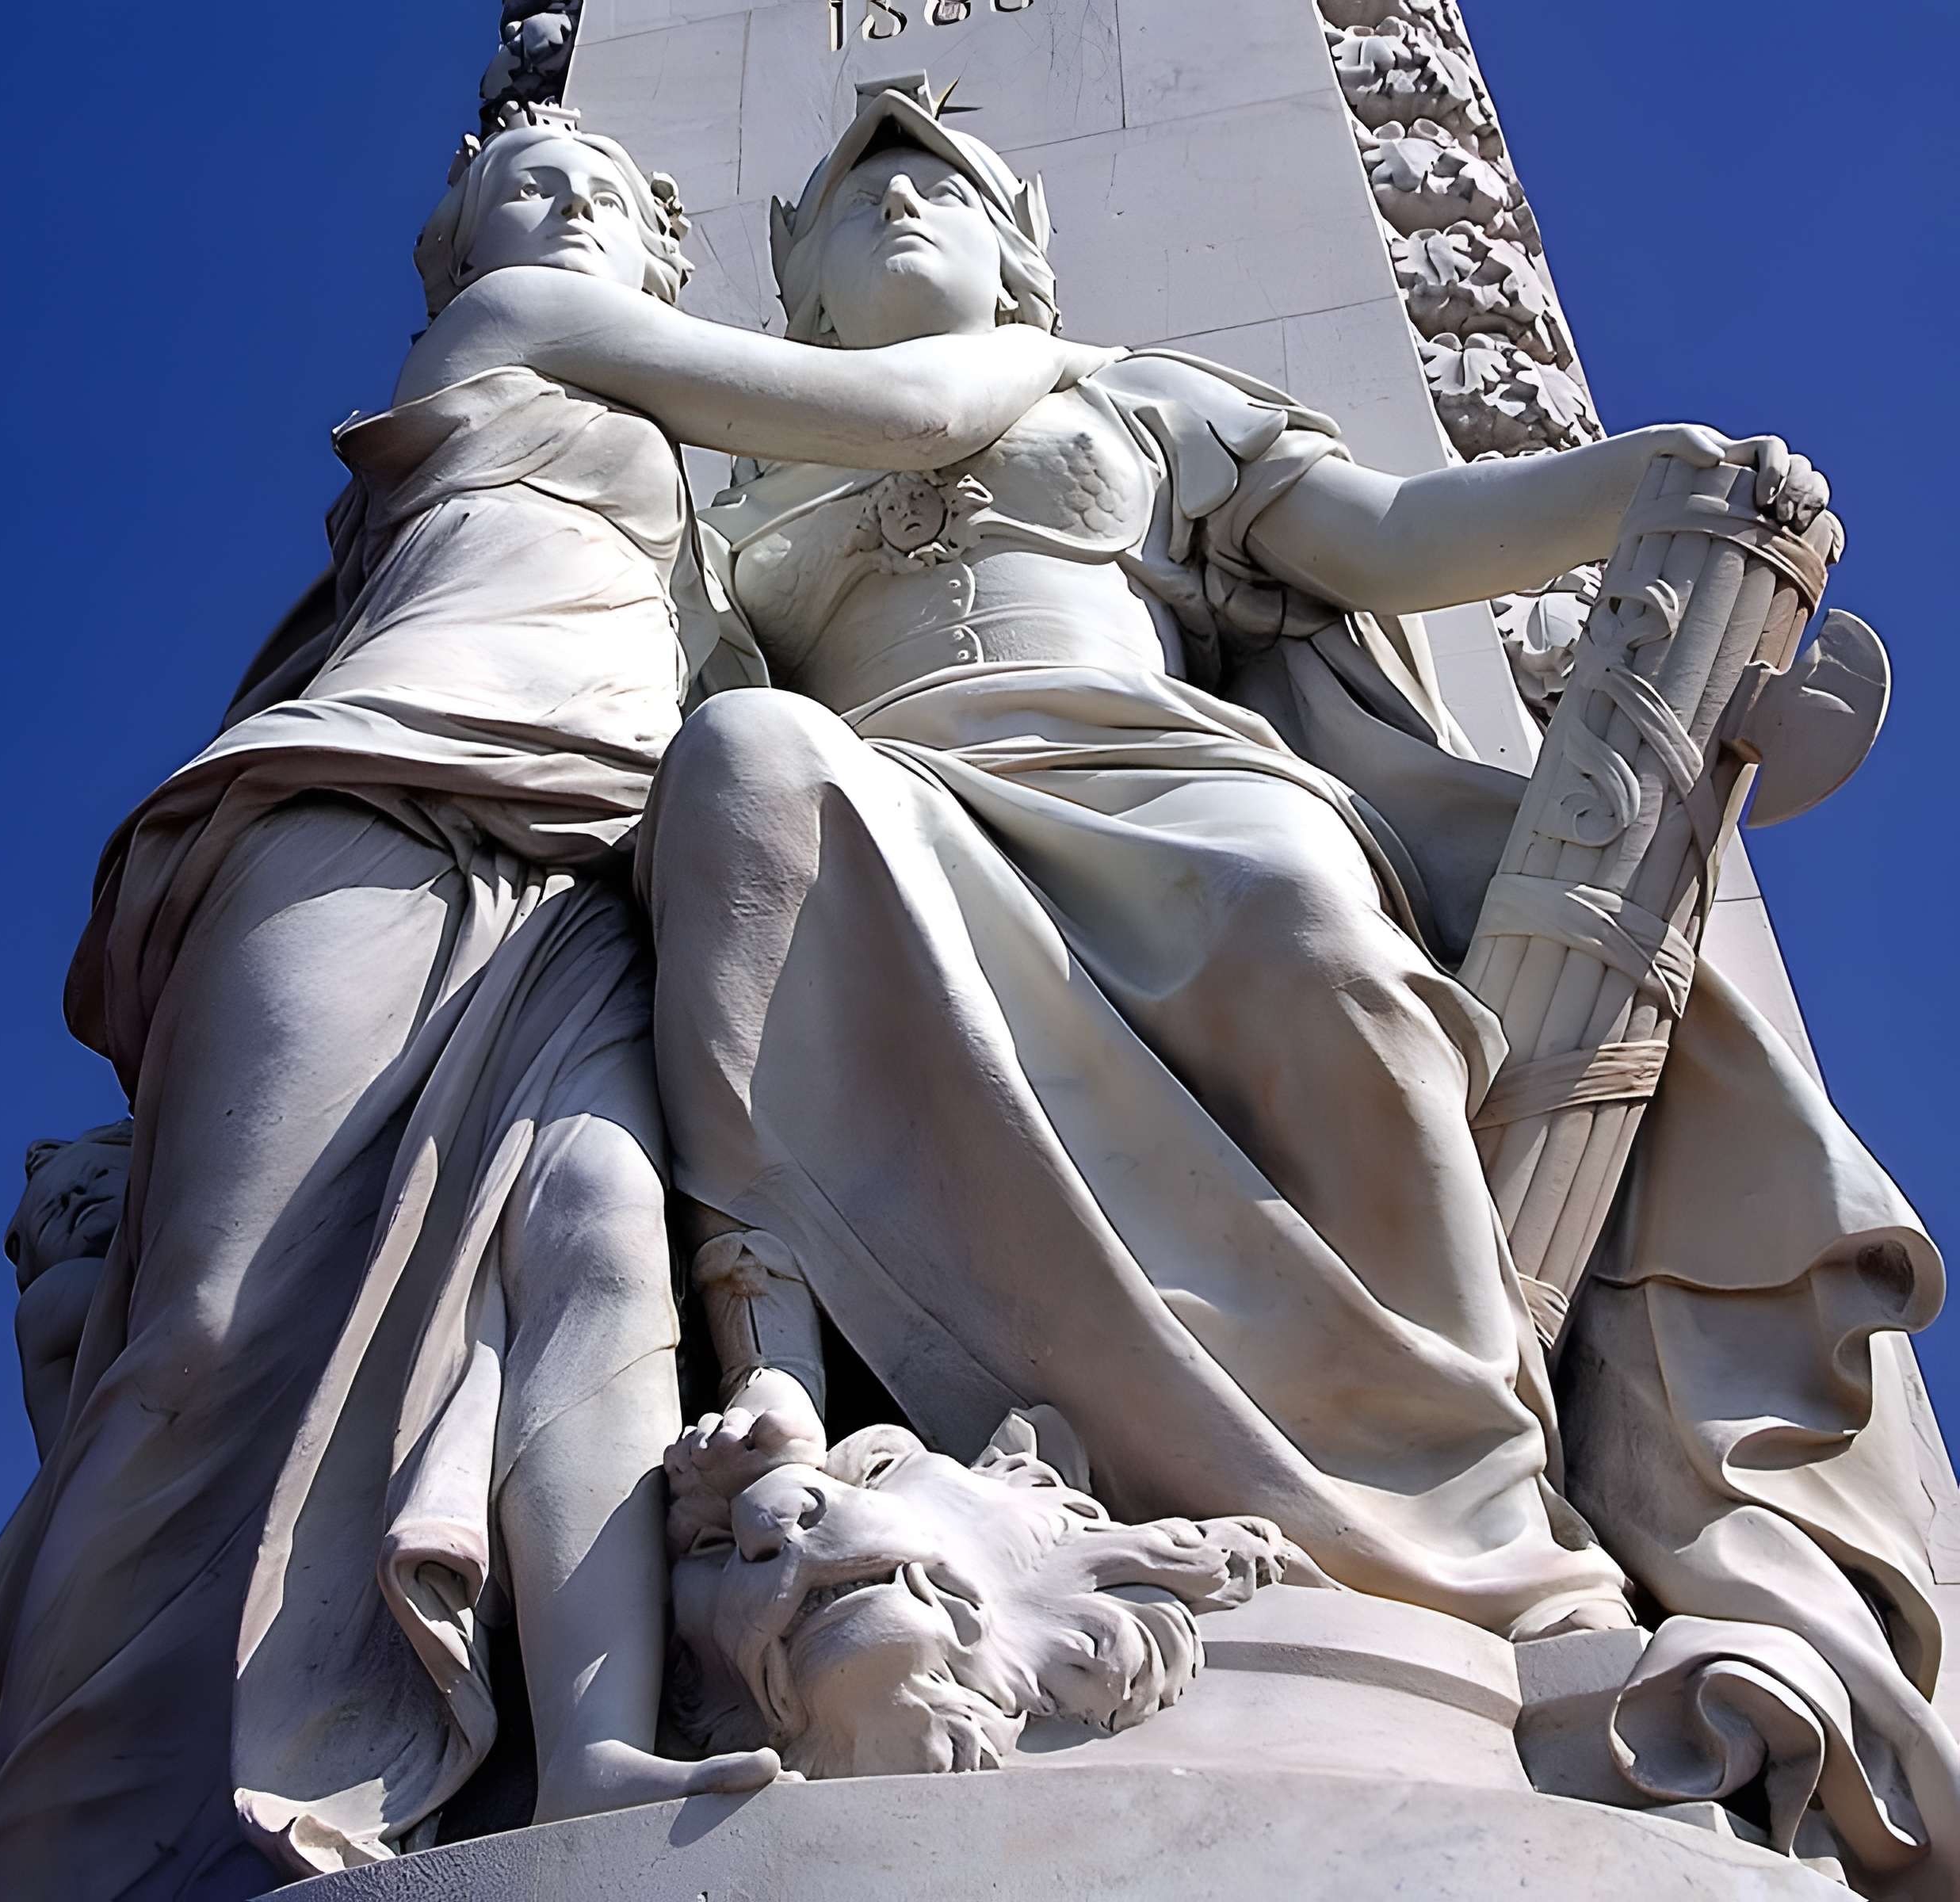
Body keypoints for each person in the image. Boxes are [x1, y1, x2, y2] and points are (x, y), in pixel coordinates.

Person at [639, 82, 1958, 1882]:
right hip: (888, 795)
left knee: (1311, 939)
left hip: (1160, 771)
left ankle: (1476, 1509)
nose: (900, 208)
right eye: (861, 198)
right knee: (743, 769)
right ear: (790, 272)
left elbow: (1395, 532)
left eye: (937, 188)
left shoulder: (1128, 395)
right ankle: (776, 1402)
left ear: (1019, 245)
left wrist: (1636, 481)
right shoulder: (725, 482)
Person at [0, 101, 1106, 1899]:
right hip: (383, 797)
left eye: (605, 192)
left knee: (598, 1238)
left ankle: (597, 1737)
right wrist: (1074, 360)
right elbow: (914, 417)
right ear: (459, 254)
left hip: (595, 864)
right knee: (214, 1323)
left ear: (666, 246)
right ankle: (74, 1837)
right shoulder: (515, 326)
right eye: (528, 188)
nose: (567, 208)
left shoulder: (708, 501)